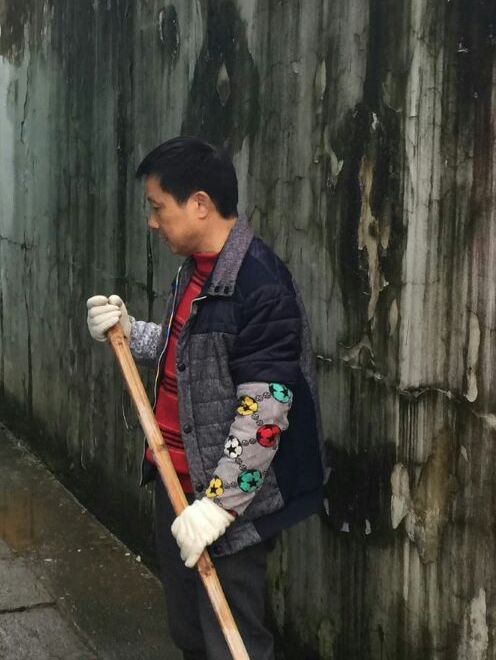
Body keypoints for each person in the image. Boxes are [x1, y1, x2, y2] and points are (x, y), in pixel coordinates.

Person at [86, 137, 324, 660]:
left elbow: (265, 409)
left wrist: (218, 506)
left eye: (158, 207)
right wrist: (128, 331)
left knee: (232, 644)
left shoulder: (260, 286)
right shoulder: (196, 269)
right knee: (190, 632)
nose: (152, 221)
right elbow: (188, 358)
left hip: (225, 500)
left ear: (199, 204)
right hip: (175, 482)